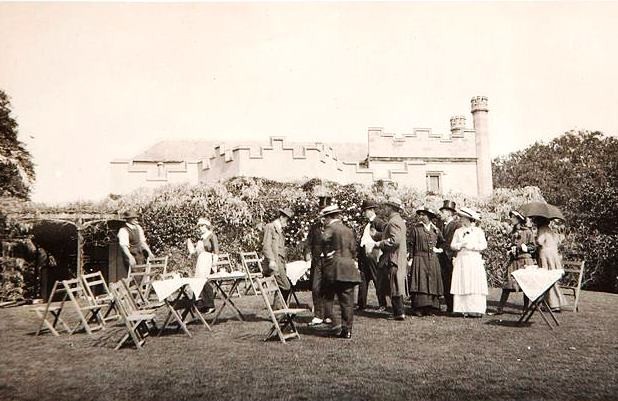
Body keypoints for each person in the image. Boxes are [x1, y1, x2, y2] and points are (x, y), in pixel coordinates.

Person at [320, 205, 361, 339]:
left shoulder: (330, 228)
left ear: (328, 217)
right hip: (349, 267)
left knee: (326, 296)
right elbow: (354, 249)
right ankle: (347, 330)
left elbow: (323, 240)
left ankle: (335, 324)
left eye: (324, 218)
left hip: (335, 268)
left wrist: (327, 252)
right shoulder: (348, 230)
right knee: (347, 301)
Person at [493, 210, 536, 315]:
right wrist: (509, 249)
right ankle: (500, 309)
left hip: (525, 260)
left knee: (525, 285)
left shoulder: (528, 232)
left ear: (518, 219)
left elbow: (533, 247)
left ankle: (525, 309)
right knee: (508, 284)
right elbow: (511, 244)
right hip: (514, 261)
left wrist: (523, 247)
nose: (511, 219)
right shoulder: (512, 232)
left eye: (513, 217)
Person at [450, 207, 489, 317]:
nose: (461, 219)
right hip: (462, 259)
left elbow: (483, 245)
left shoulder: (478, 231)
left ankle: (475, 309)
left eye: (462, 218)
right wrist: (461, 245)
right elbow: (452, 245)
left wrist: (472, 246)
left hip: (473, 259)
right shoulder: (458, 231)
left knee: (473, 282)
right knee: (462, 281)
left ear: (468, 219)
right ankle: (462, 309)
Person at [375, 198, 407, 320]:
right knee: (395, 283)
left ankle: (399, 313)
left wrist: (380, 243)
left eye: (386, 207)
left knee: (395, 284)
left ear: (391, 208)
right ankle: (398, 311)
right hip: (397, 256)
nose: (385, 209)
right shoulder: (398, 220)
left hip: (393, 257)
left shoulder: (393, 222)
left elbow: (395, 241)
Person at [409, 206, 444, 316]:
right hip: (419, 258)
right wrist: (410, 258)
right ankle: (419, 307)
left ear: (429, 217)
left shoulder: (435, 230)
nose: (421, 216)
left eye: (423, 215)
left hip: (432, 259)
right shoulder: (416, 229)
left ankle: (431, 307)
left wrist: (438, 250)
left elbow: (442, 242)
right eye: (420, 214)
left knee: (432, 281)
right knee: (420, 281)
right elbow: (411, 244)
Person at [305, 195, 332, 326]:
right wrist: (307, 253)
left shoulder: (333, 227)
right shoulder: (314, 227)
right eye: (321, 210)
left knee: (328, 288)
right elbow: (308, 242)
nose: (322, 213)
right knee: (316, 288)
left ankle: (328, 315)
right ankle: (318, 315)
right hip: (316, 262)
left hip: (329, 262)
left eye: (325, 211)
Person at [356, 199, 387, 311]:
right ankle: (361, 304)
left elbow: (386, 235)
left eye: (365, 211)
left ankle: (382, 304)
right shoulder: (368, 224)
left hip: (373, 253)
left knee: (376, 278)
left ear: (371, 210)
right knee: (363, 279)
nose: (364, 213)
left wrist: (377, 235)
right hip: (365, 254)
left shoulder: (378, 222)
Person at [262, 207, 294, 306]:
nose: (287, 223)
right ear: (281, 217)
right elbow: (266, 246)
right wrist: (271, 260)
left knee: (282, 287)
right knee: (286, 286)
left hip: (281, 261)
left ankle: (279, 312)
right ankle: (280, 311)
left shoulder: (280, 230)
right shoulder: (270, 227)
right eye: (287, 220)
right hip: (275, 262)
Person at [535, 217, 567, 312]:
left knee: (546, 279)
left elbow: (540, 241)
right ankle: (552, 302)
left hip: (545, 256)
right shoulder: (550, 230)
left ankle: (553, 304)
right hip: (553, 256)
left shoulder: (542, 229)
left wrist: (535, 239)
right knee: (552, 279)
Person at [187, 217, 219, 313]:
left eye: (202, 226)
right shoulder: (201, 237)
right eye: (199, 226)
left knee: (205, 281)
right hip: (200, 260)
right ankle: (201, 304)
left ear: (206, 226)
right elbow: (196, 251)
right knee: (198, 281)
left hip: (207, 259)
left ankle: (210, 304)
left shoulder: (211, 236)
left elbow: (216, 250)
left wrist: (214, 263)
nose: (200, 228)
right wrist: (190, 247)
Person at [437, 200, 461, 314]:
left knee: (453, 281)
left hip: (451, 257)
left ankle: (455, 306)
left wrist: (454, 256)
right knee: (445, 282)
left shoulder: (457, 225)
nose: (441, 214)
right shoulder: (440, 224)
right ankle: (449, 306)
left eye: (442, 212)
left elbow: (456, 242)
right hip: (441, 257)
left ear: (449, 213)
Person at [117, 209, 154, 278]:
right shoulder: (123, 230)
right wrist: (130, 257)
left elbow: (142, 241)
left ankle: (143, 288)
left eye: (136, 217)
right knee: (135, 276)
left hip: (140, 254)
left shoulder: (138, 227)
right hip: (131, 254)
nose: (136, 219)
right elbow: (124, 246)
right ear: (128, 219)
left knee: (143, 274)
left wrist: (149, 252)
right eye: (133, 218)